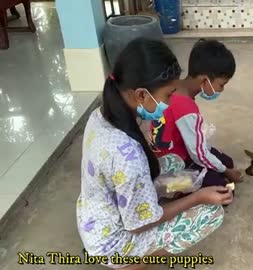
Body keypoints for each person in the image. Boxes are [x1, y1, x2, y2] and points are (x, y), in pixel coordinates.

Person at [76, 38, 233, 270]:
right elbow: (139, 224)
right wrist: (198, 198)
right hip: (113, 242)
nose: (169, 104)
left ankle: (156, 199)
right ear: (141, 95)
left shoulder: (101, 115)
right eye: (168, 95)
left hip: (93, 218)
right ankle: (134, 264)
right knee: (210, 213)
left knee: (175, 161)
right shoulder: (127, 155)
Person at [150, 39, 242, 188]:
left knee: (226, 162)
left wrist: (222, 165)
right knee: (224, 188)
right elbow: (197, 153)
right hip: (175, 163)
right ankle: (177, 191)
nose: (221, 90)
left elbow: (195, 140)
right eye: (221, 85)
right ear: (205, 80)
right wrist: (226, 171)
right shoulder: (186, 108)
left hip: (167, 152)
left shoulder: (174, 88)